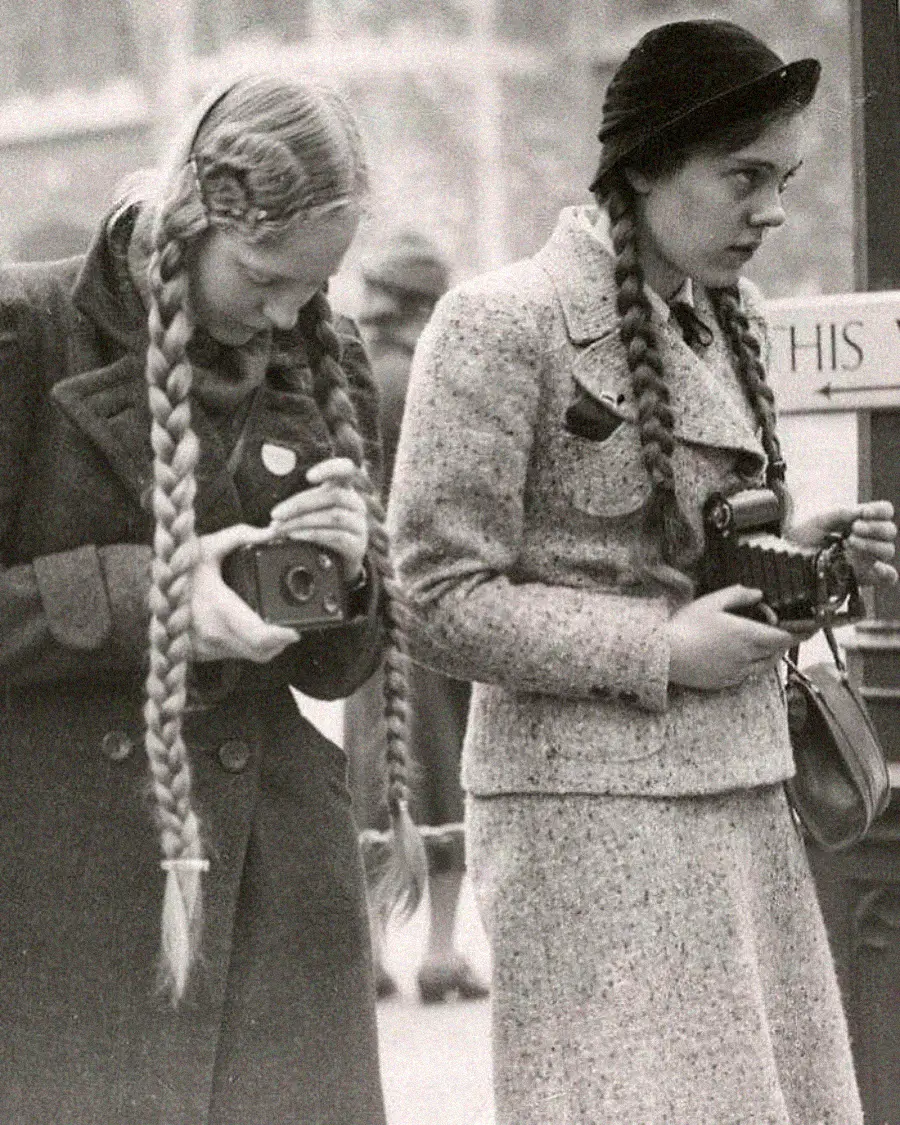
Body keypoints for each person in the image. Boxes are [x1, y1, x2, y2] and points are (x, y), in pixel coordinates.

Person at [388, 19, 897, 1125]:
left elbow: (674, 552)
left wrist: (801, 551)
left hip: (741, 797)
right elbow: (429, 601)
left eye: (785, 180)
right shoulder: (501, 324)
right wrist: (664, 648)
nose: (771, 210)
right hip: (587, 821)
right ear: (650, 164)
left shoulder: (728, 324)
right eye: (744, 177)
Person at [0, 74, 423, 1125]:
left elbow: (333, 668)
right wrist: (156, 598)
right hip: (68, 884)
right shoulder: (28, 333)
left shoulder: (325, 359)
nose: (287, 315)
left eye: (310, 289)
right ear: (203, 216)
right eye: (268, 278)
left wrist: (344, 573)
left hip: (276, 893)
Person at [345, 229, 489, 1003]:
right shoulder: (429, 375)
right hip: (430, 600)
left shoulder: (352, 373)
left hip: (361, 604)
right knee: (440, 775)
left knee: (377, 771)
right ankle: (439, 952)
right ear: (426, 304)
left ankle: (368, 948)